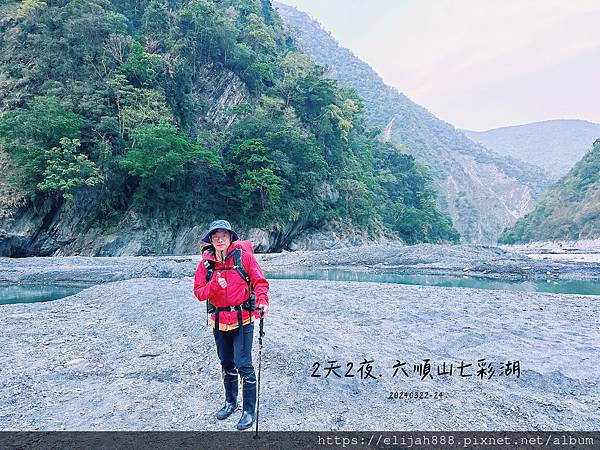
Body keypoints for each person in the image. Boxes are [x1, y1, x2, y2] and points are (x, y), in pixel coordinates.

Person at [193, 219, 269, 430]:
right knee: (226, 362)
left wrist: (262, 301)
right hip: (219, 321)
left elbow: (260, 282)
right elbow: (199, 293)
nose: (219, 239)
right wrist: (214, 286)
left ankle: (248, 410)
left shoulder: (244, 258)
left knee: (243, 363)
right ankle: (230, 402)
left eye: (223, 235)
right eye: (215, 236)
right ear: (210, 239)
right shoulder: (206, 264)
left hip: (243, 318)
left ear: (230, 237)